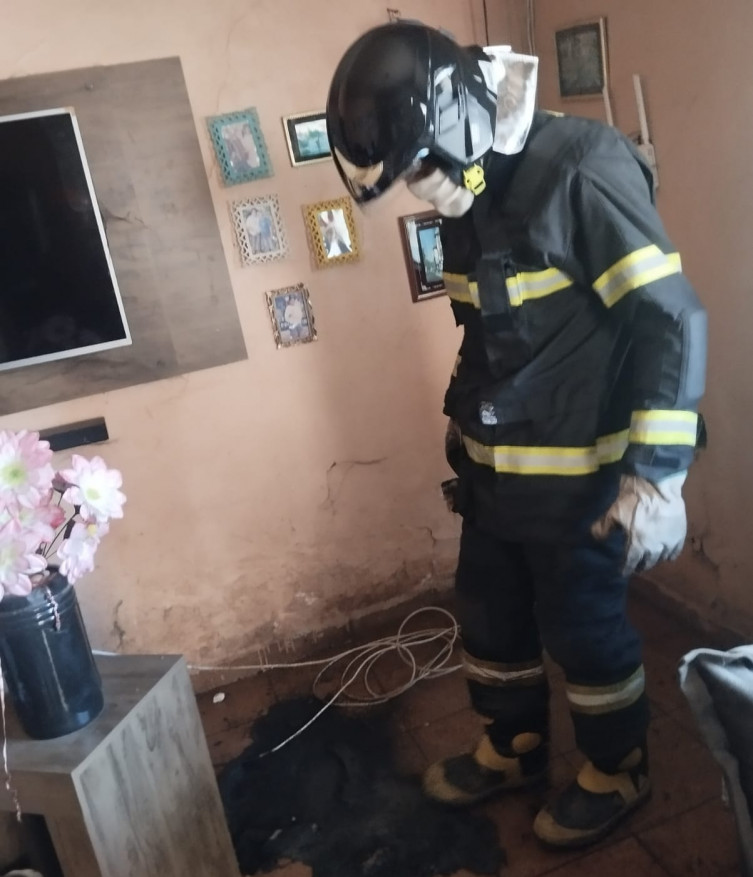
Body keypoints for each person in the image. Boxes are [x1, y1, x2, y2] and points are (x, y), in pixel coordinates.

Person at [326, 21, 707, 849]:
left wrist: (658, 476)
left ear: (459, 125)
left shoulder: (581, 168)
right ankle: (515, 745)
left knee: (582, 627)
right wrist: (462, 427)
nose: (420, 189)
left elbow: (670, 320)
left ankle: (617, 766)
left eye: (420, 168)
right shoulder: (474, 186)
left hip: (581, 478)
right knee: (490, 616)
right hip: (495, 473)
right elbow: (491, 332)